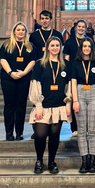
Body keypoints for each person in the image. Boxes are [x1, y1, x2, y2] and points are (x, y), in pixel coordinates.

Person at [29, 37, 71, 174]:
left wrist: (68, 103)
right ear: (47, 47)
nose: (54, 48)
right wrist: (38, 105)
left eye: (57, 45)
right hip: (44, 105)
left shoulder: (65, 65)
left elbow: (69, 85)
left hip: (58, 106)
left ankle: (52, 161)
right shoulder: (40, 64)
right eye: (52, 45)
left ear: (60, 47)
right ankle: (39, 160)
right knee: (40, 134)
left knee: (54, 135)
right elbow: (35, 85)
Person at [0, 21, 36, 141]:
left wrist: (24, 72)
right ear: (14, 31)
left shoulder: (30, 46)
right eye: (18, 30)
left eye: (23, 30)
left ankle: (19, 132)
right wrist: (10, 73)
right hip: (8, 78)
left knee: (21, 105)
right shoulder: (7, 45)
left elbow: (33, 61)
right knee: (9, 105)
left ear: (26, 32)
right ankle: (9, 132)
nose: (21, 32)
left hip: (24, 78)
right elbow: (2, 59)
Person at [29, 10, 64, 139]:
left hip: (54, 69)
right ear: (39, 20)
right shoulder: (34, 36)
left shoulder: (57, 34)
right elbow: (32, 52)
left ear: (51, 19)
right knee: (38, 96)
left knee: (53, 98)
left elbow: (61, 50)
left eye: (47, 18)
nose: (44, 20)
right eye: (42, 18)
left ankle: (52, 127)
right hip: (40, 68)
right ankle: (37, 126)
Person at [71, 37, 95, 173]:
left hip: (93, 93)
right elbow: (73, 82)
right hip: (79, 92)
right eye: (84, 46)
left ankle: (92, 160)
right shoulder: (75, 63)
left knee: (92, 130)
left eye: (89, 46)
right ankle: (84, 160)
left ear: (92, 48)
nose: (86, 48)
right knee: (81, 130)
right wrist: (75, 100)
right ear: (81, 48)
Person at [64, 20, 95, 137]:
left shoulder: (90, 41)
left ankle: (87, 127)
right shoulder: (69, 42)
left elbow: (94, 55)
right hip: (74, 73)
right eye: (79, 26)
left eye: (83, 27)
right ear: (75, 28)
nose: (81, 28)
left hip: (87, 74)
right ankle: (74, 128)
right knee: (74, 100)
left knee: (87, 104)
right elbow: (67, 59)